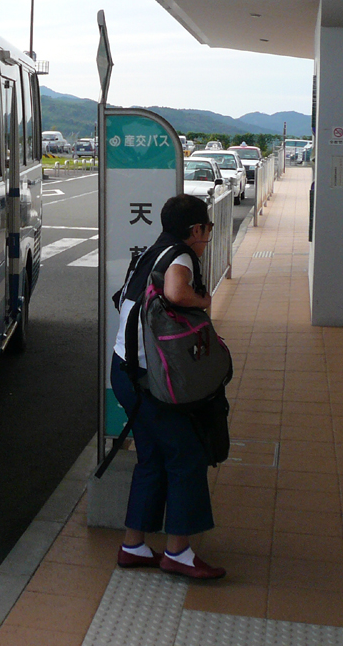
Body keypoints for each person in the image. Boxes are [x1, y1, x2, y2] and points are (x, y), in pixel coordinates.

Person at [109, 194, 226, 580]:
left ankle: (134, 545)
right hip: (147, 379)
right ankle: (177, 552)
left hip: (125, 372)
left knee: (154, 456)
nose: (207, 236)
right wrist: (204, 299)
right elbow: (177, 293)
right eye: (207, 229)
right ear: (196, 230)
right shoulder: (180, 256)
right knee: (187, 455)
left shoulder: (151, 253)